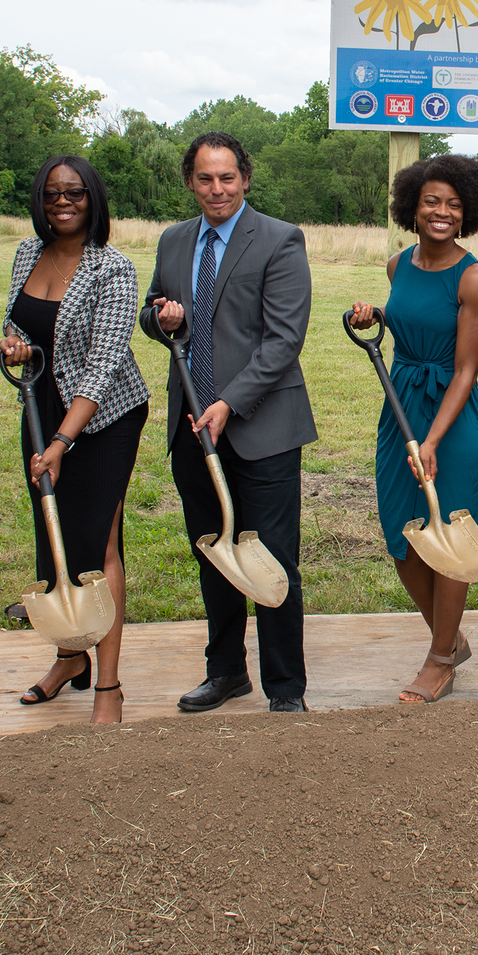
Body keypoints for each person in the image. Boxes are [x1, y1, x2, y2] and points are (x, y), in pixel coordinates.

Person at [142, 131, 317, 713]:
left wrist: (229, 403)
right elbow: (154, 315)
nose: (216, 189)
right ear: (190, 182)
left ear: (245, 179)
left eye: (226, 178)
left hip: (259, 426)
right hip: (193, 425)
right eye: (204, 178)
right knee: (214, 552)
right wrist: (159, 316)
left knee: (270, 558)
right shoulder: (172, 242)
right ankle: (226, 673)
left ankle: (286, 687)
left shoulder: (279, 240)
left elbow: (283, 340)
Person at [1, 155, 149, 723]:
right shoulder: (25, 254)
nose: (63, 202)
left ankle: (108, 687)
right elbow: (19, 331)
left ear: (94, 200)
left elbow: (104, 362)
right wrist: (13, 350)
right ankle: (69, 659)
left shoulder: (111, 267)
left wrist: (63, 442)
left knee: (99, 543)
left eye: (76, 193)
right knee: (53, 537)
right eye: (52, 193)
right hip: (41, 410)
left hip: (104, 416)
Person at [346, 155, 478, 703]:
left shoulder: (474, 278)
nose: (442, 212)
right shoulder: (397, 265)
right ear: (412, 206)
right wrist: (375, 318)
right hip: (400, 405)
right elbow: (410, 321)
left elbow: (465, 370)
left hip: (449, 418)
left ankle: (439, 660)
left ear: (468, 213)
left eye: (454, 204)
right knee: (400, 530)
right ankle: (451, 637)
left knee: (448, 532)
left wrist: (432, 441)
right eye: (432, 201)